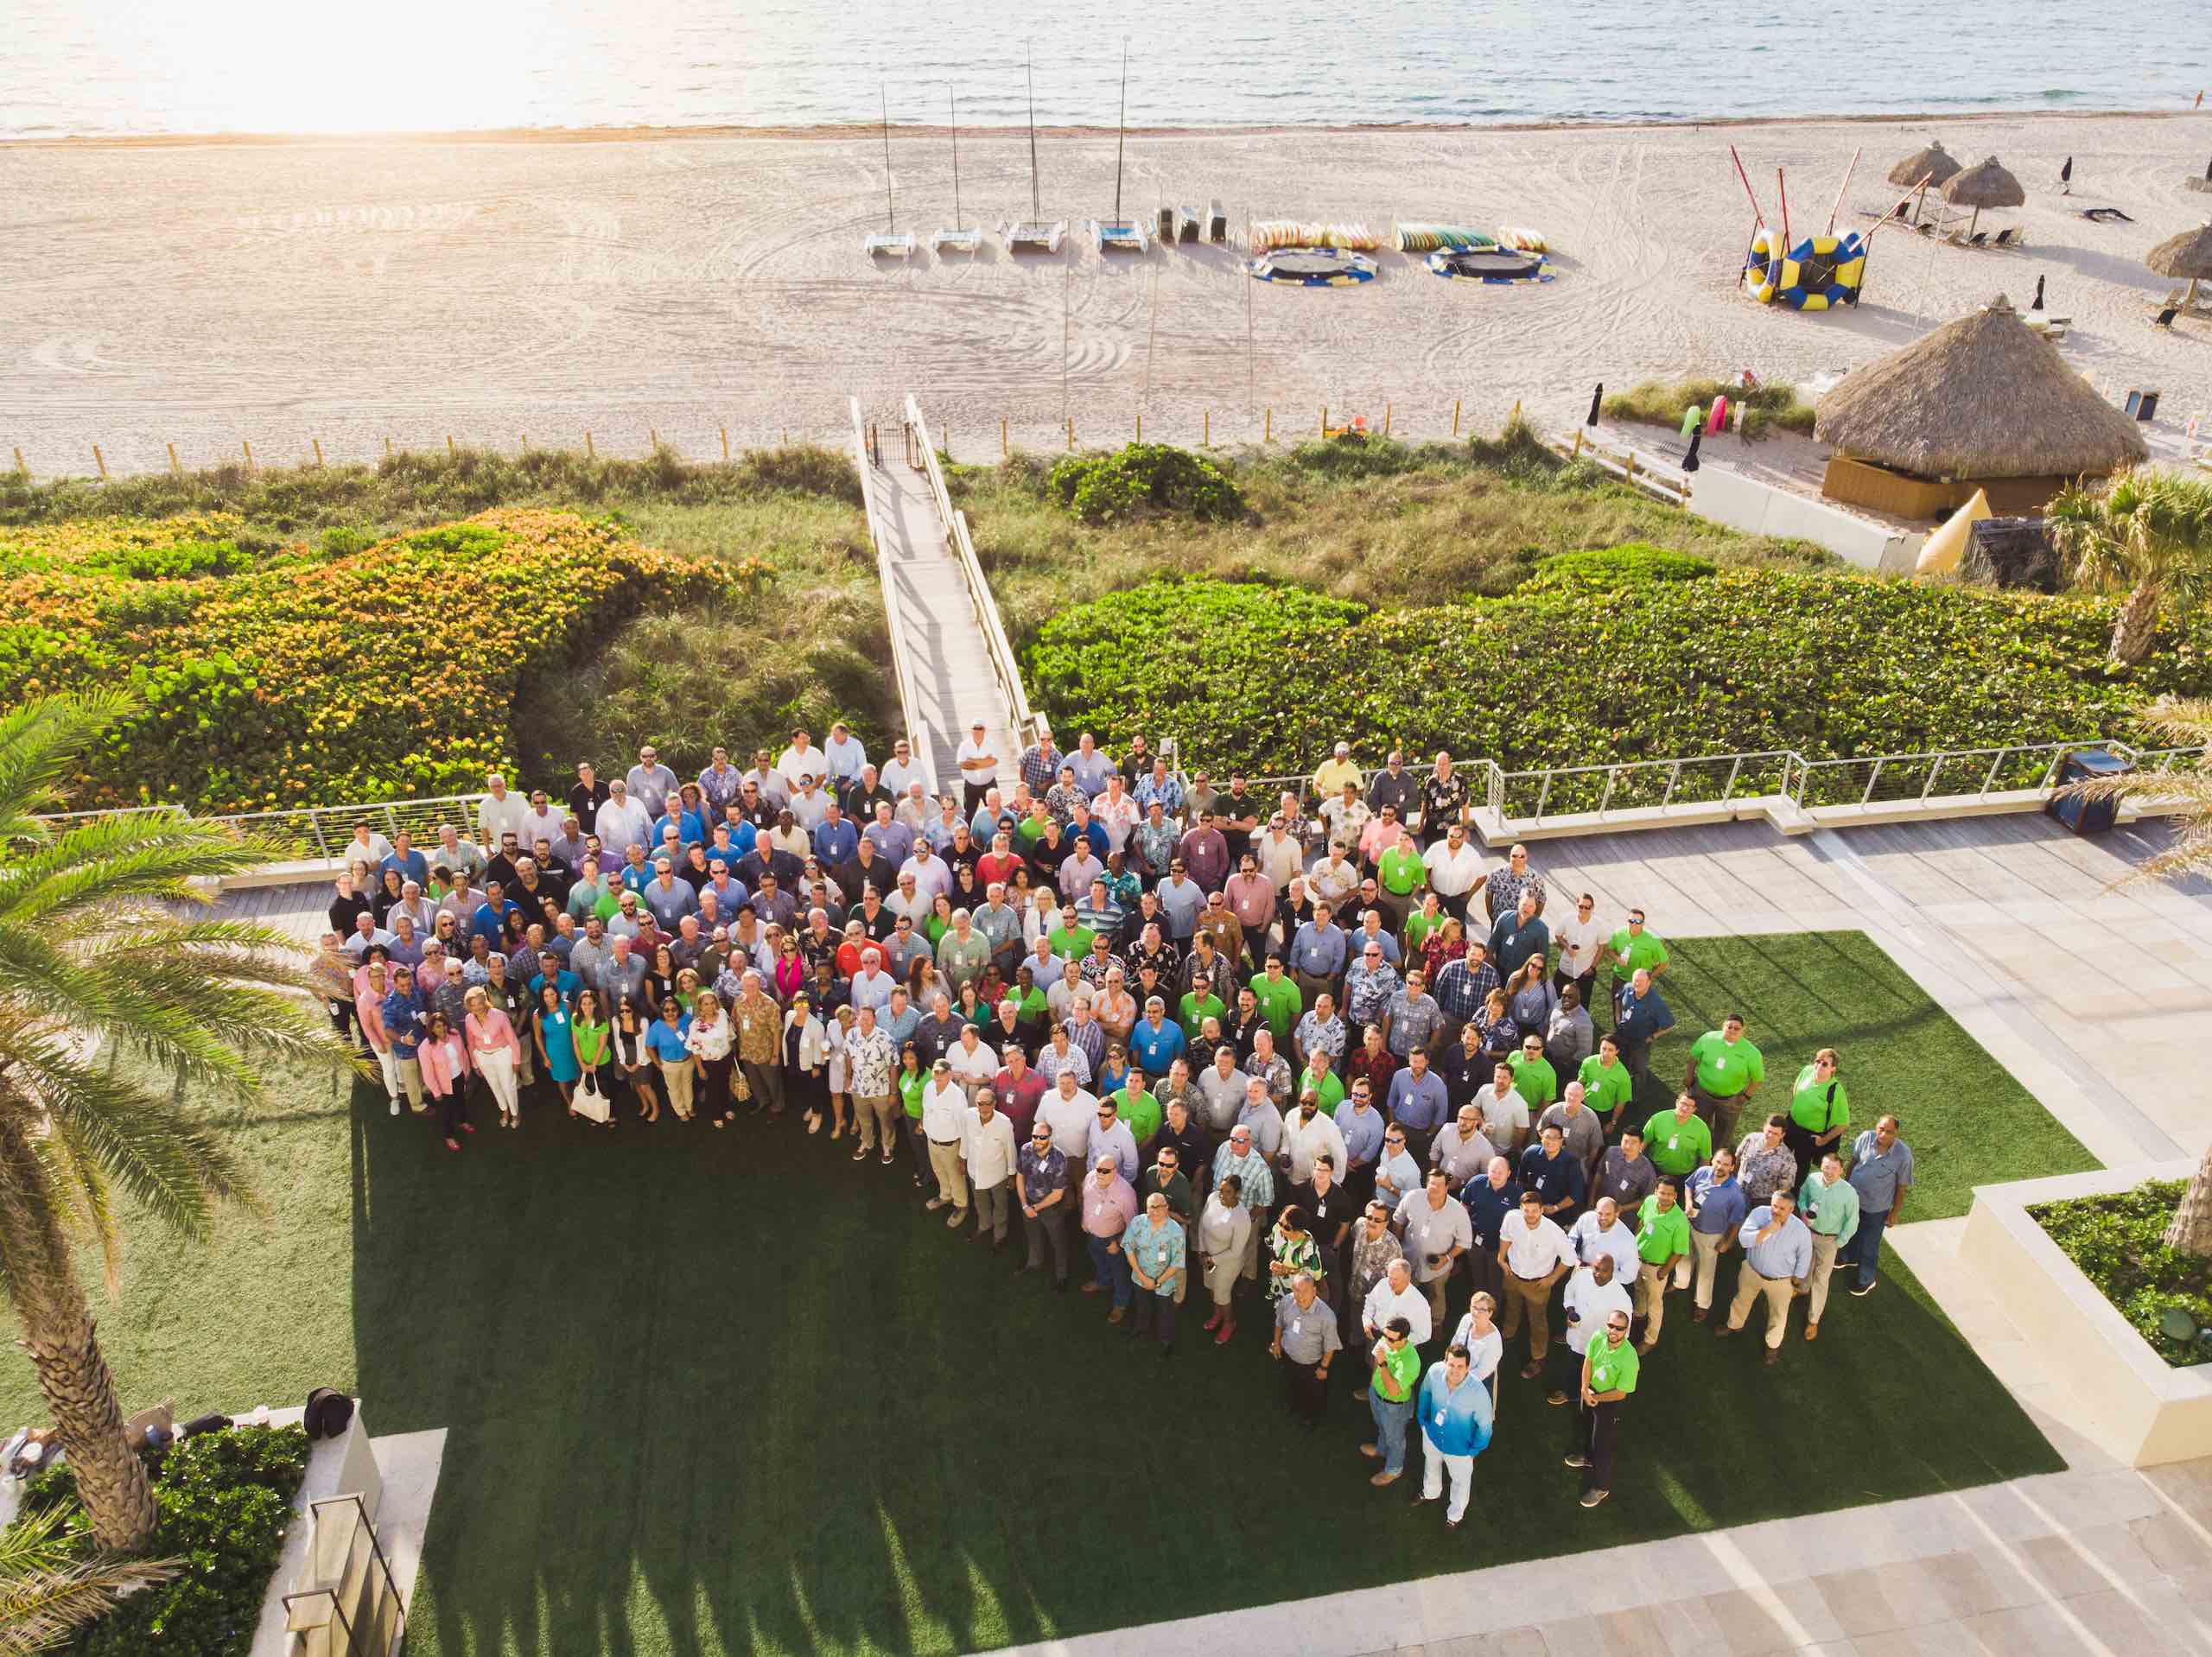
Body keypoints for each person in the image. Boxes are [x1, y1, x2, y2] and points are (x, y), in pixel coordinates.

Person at [1719, 1188, 1813, 1363]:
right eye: (1774, 1206)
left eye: (1782, 1208)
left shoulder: (1800, 1230)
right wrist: (1768, 1230)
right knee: (1742, 1299)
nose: (1776, 1211)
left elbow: (1805, 1255)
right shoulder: (1759, 1214)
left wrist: (1798, 1277)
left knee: (1779, 1314)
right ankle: (1734, 1325)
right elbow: (1744, 1240)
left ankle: (1772, 1346)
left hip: (1781, 1281)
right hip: (1752, 1271)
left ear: (1792, 1210)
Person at [1413, 1343, 1493, 1528]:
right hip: (1432, 1436)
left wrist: (1473, 1450)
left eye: (1460, 1367)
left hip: (1460, 1450)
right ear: (1445, 1362)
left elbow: (1485, 1426)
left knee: (1460, 1482)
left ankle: (1455, 1516)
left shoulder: (1478, 1392)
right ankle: (1430, 1492)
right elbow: (1425, 1393)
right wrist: (1423, 1421)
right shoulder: (1434, 1372)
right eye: (1451, 1365)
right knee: (1431, 1465)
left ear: (1467, 1367)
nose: (1455, 1371)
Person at [1567, 1306, 1638, 1508]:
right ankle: (1587, 1458)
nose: (1613, 1331)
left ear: (1626, 1330)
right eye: (1611, 1325)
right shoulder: (1598, 1336)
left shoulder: (1630, 1358)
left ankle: (1601, 1486)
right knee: (1586, 1427)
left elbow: (1621, 1393)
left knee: (1602, 1446)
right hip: (1590, 1391)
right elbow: (1588, 1362)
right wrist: (1584, 1388)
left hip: (1609, 1403)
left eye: (1619, 1328)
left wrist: (1595, 1397)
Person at [1500, 1189, 1574, 1380]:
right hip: (1512, 1275)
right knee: (1512, 1307)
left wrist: (1552, 1279)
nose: (1530, 1215)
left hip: (1537, 1284)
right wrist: (1501, 1258)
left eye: (1534, 1210)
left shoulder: (1554, 1232)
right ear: (1520, 1209)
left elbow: (1569, 1259)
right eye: (1526, 1210)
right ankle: (1508, 1333)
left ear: (1542, 1210)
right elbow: (1505, 1236)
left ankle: (1538, 1357)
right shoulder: (1512, 1218)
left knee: (1538, 1321)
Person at [1843, 1114, 1913, 1296]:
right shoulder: (1865, 1137)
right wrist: (1844, 1188)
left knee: (1870, 1244)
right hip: (1854, 1199)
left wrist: (1894, 1213)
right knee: (1850, 1230)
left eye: (1889, 1132)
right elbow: (1853, 1162)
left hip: (1877, 1208)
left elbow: (1901, 1187)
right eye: (1881, 1129)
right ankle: (1849, 1258)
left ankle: (1866, 1279)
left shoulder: (1903, 1155)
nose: (1883, 1134)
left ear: (1896, 1133)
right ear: (1876, 1127)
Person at [1395, 1169, 1472, 1327]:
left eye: (1439, 1185)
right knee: (1404, 1294)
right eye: (1431, 1184)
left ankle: (1436, 1323)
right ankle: (1403, 1322)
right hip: (1409, 1261)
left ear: (1446, 1187)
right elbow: (1398, 1220)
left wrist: (1446, 1258)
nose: (1434, 1188)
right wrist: (1398, 1245)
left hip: (1438, 1266)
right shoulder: (1412, 1197)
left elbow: (1464, 1242)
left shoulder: (1458, 1211)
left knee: (1436, 1296)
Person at [1796, 1152, 1859, 1340]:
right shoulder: (1812, 1180)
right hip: (1808, 1234)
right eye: (1826, 1167)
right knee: (1805, 1265)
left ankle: (1813, 1319)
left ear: (1841, 1170)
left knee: (1821, 1279)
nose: (1829, 1171)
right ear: (1821, 1166)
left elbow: (1852, 1222)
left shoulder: (1849, 1193)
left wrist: (1838, 1243)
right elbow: (1802, 1198)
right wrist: (1803, 1211)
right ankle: (1801, 1289)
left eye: (1833, 1168)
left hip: (1829, 1240)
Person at [1682, 1145, 1746, 1323]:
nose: (1720, 1167)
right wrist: (1688, 1202)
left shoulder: (1735, 1193)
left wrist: (1727, 1242)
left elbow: (1737, 1221)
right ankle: (1680, 1283)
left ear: (1732, 1168)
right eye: (1718, 1162)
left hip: (1712, 1236)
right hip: (1690, 1225)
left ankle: (1702, 1304)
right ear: (1712, 1161)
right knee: (1684, 1257)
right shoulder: (1702, 1172)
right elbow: (1688, 1185)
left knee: (1706, 1272)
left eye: (1726, 1164)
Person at [1270, 1271, 1341, 1428]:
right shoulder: (1287, 1302)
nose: (1300, 1296)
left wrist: (1324, 1367)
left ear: (1314, 1291)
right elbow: (1279, 1322)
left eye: (1305, 1291)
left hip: (1312, 1364)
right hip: (1288, 1357)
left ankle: (1310, 1416)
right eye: (1296, 1290)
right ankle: (1293, 1403)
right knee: (1292, 1383)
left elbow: (1330, 1345)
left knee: (1314, 1393)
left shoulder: (1326, 1316)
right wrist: (1276, 1343)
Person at [1687, 1013, 1764, 1148]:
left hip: (1729, 1100)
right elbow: (1693, 1058)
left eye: (1737, 1028)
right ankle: (1694, 1151)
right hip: (1702, 1094)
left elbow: (1757, 1079)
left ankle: (1715, 1159)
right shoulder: (1708, 1038)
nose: (1733, 1030)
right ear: (1723, 1026)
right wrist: (1689, 1077)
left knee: (1723, 1135)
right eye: (1730, 1027)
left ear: (1743, 1031)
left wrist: (1746, 1096)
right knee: (1698, 1126)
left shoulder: (1752, 1053)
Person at [1363, 1317, 1424, 1487]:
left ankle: (1394, 1469)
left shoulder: (1411, 1361)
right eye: (1384, 1335)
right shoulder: (1387, 1338)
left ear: (1404, 1339)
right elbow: (1376, 1357)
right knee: (1381, 1426)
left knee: (1395, 1439)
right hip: (1376, 1395)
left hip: (1394, 1406)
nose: (1385, 1340)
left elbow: (1394, 1390)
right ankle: (1381, 1449)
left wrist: (1383, 1365)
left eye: (1391, 1339)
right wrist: (1372, 1385)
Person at [1359, 1258, 1433, 1398]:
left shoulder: (1420, 1304)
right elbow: (1370, 1302)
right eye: (1389, 1277)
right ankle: (1372, 1392)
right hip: (1375, 1336)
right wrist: (1367, 1320)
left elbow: (1425, 1334)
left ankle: (1390, 1403)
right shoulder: (1383, 1284)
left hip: (1399, 1348)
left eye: (1396, 1279)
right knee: (1374, 1364)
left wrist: (1397, 1341)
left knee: (1394, 1377)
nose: (1391, 1283)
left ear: (1408, 1278)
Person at [1630, 1181, 1691, 1351]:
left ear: (1675, 1196)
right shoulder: (1649, 1201)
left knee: (1655, 1303)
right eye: (1662, 1193)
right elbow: (1642, 1222)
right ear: (1656, 1191)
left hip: (1656, 1268)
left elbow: (1679, 1251)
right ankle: (1639, 1313)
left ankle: (1650, 1339)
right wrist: (1634, 1242)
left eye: (1669, 1194)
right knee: (1638, 1288)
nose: (1665, 1197)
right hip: (1638, 1257)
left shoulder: (1680, 1220)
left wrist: (1664, 1271)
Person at [1124, 1191, 1186, 1354]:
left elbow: (1177, 1263)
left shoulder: (1176, 1231)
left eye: (1160, 1207)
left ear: (1167, 1208)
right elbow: (1129, 1248)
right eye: (1152, 1207)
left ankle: (1166, 1340)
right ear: (1146, 1208)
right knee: (1142, 1307)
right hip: (1139, 1279)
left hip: (1165, 1284)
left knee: (1165, 1312)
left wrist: (1157, 1282)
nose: (1155, 1211)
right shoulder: (1137, 1222)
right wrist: (1141, 1276)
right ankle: (1141, 1329)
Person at [1080, 1154, 1140, 1319]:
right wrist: (1084, 1221)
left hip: (1113, 1240)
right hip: (1092, 1234)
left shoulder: (1125, 1194)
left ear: (1116, 1172)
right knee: (1098, 1260)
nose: (1100, 1174)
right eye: (1098, 1169)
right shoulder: (1090, 1178)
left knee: (1120, 1271)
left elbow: (1134, 1224)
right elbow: (1085, 1200)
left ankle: (1120, 1303)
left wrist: (1118, 1242)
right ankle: (1103, 1282)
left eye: (1106, 1171)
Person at [963, 1086, 1020, 1249]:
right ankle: (984, 1225)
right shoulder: (968, 1116)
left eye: (988, 1103)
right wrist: (963, 1160)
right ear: (976, 1103)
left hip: (997, 1175)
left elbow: (1010, 1149)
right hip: (975, 1171)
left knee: (1000, 1205)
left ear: (994, 1103)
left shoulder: (1004, 1123)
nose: (984, 1108)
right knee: (980, 1203)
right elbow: (965, 1139)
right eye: (980, 1104)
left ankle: (999, 1235)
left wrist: (1011, 1175)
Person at [1198, 1173, 1253, 1343]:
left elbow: (1236, 1251)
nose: (1222, 1195)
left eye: (1228, 1192)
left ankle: (1229, 1322)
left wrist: (1212, 1260)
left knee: (1222, 1293)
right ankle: (1217, 1314)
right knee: (1211, 1287)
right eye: (1221, 1190)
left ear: (1237, 1193)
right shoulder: (1213, 1198)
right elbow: (1202, 1224)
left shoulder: (1242, 1217)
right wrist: (1202, 1251)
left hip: (1228, 1262)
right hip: (1207, 1255)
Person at [1017, 1121, 1073, 1288]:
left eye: (1042, 1137)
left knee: (1058, 1241)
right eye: (1035, 1136)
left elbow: (1058, 1194)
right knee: (1033, 1235)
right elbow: (1020, 1176)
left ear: (1050, 1137)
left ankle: (1061, 1276)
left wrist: (1036, 1208)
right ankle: (1034, 1263)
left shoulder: (1059, 1159)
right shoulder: (1026, 1150)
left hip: (1051, 1206)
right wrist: (1024, 1205)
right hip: (1029, 1203)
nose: (1038, 1140)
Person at [1784, 1049, 1850, 1187]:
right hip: (1791, 1126)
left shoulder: (1836, 1090)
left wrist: (1823, 1140)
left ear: (1833, 1069)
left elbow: (1842, 1124)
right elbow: (1796, 1089)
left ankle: (1791, 1200)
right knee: (1780, 1158)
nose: (1819, 1065)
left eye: (1825, 1064)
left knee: (1799, 1171)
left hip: (1808, 1137)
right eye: (1817, 1061)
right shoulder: (1807, 1071)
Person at [920, 1058, 973, 1226]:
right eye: (936, 1073)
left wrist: (963, 1154)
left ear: (950, 1075)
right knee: (939, 1170)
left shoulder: (957, 1097)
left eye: (942, 1074)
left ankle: (961, 1206)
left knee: (955, 1176)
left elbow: (963, 1127)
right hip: (932, 1141)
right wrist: (923, 1125)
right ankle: (945, 1196)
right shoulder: (929, 1087)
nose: (938, 1077)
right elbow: (925, 1110)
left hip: (951, 1145)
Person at [416, 1012, 475, 1152]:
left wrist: (466, 1072)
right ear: (431, 1029)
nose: (441, 1029)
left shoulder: (454, 1034)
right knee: (447, 1111)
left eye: (443, 1025)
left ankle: (463, 1121)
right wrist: (436, 1091)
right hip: (443, 1086)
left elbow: (464, 1054)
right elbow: (428, 1073)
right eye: (437, 1027)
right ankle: (449, 1136)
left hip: (459, 1077)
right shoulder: (425, 1047)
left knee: (461, 1101)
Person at [531, 981, 577, 1117]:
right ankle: (569, 1102)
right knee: (562, 1079)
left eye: (552, 994)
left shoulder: (568, 1005)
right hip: (555, 1052)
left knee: (578, 1076)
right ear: (542, 997)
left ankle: (581, 1100)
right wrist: (545, 1057)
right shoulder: (538, 1015)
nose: (550, 998)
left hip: (573, 1047)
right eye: (546, 995)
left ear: (557, 994)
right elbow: (538, 1037)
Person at [1736, 1114, 1798, 1206]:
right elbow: (1737, 1158)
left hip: (1761, 1201)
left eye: (1775, 1134)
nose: (1770, 1136)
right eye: (1769, 1131)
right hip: (1738, 1189)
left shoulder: (1788, 1159)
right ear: (1764, 1127)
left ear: (1783, 1135)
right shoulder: (1751, 1139)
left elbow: (1784, 1190)